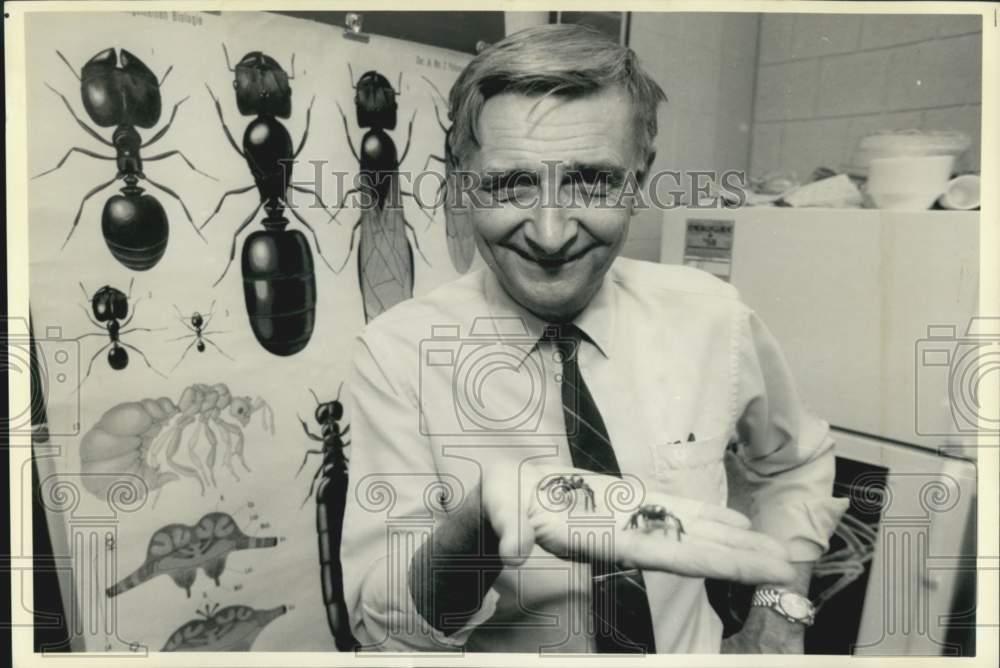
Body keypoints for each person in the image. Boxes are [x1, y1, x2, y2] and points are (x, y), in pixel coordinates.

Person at [340, 23, 848, 654]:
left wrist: (779, 611)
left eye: (592, 182)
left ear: (638, 180)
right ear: (463, 182)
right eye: (511, 183)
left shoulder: (713, 317)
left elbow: (795, 460)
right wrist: (483, 523)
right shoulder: (395, 356)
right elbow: (386, 629)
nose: (551, 236)